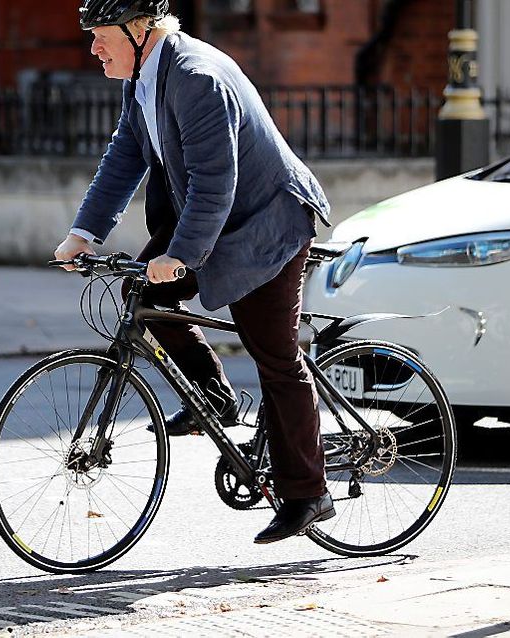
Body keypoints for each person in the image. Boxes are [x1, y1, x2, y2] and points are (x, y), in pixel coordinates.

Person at [55, 0, 333, 544]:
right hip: (212, 219)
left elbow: (215, 181)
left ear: (139, 30)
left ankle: (307, 492)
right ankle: (213, 395)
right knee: (143, 296)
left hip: (264, 224)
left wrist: (179, 255)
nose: (93, 47)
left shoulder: (196, 77)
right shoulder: (144, 75)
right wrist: (83, 234)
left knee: (275, 356)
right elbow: (124, 155)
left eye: (100, 35)